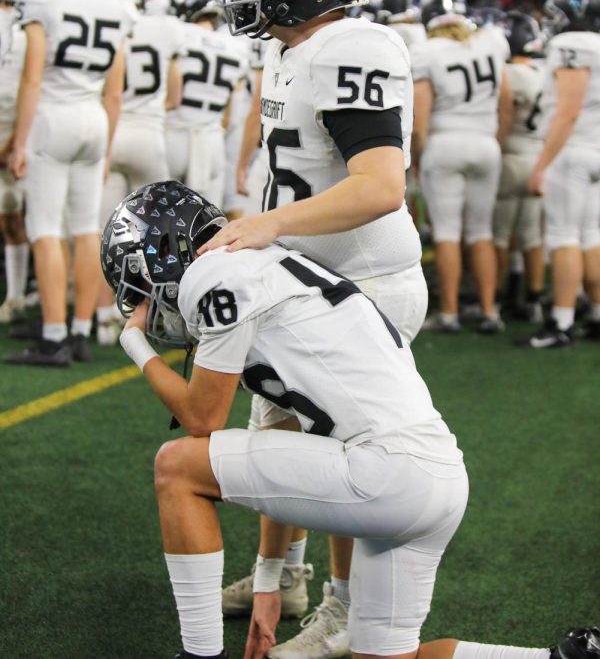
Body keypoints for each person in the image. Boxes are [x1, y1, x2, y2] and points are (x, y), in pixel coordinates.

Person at [104, 180, 598, 659]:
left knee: (177, 467)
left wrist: (134, 342)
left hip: (386, 473)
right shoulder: (269, 266)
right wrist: (269, 580)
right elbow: (280, 441)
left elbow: (201, 419)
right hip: (438, 479)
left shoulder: (212, 275)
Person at [209, 0, 427, 656]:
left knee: (339, 456)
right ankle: (281, 576)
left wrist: (266, 227)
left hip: (364, 285)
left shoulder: (354, 45)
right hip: (308, 277)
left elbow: (379, 185)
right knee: (275, 427)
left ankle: (344, 611)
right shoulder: (289, 46)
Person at [5, 0, 135, 367]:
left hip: (52, 118)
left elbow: (33, 76)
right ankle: (80, 331)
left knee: (44, 230)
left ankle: (54, 336)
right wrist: (106, 146)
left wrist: (19, 142)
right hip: (94, 120)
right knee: (85, 230)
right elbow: (115, 91)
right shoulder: (118, 8)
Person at [411, 0, 511, 334]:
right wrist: (493, 139)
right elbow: (506, 102)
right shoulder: (491, 43)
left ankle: (451, 313)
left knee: (448, 234)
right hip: (485, 142)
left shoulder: (426, 51)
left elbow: (419, 120)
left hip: (445, 143)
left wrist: (418, 157)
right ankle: (489, 310)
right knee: (481, 232)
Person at [95, 0, 184, 344]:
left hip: (111, 134)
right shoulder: (165, 28)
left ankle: (103, 319)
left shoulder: (105, 17)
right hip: (150, 136)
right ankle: (170, 318)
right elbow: (175, 93)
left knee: (107, 235)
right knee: (160, 237)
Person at [526, 0, 600, 347]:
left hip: (571, 150)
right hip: (595, 149)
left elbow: (568, 111)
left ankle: (562, 323)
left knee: (564, 237)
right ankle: (596, 315)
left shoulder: (571, 45)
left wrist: (542, 163)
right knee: (590, 236)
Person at [165, 0, 250, 209]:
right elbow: (231, 114)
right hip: (212, 141)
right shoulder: (236, 46)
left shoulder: (176, 33)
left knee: (153, 220)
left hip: (173, 134)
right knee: (203, 228)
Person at [492, 12, 546, 323]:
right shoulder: (545, 70)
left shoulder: (507, 73)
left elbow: (504, 115)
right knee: (531, 237)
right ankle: (535, 301)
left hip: (511, 155)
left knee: (499, 235)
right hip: (537, 154)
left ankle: (498, 300)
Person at [0, 0, 29, 323]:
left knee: (18, 220)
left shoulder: (24, 33)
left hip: (19, 134)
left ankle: (19, 295)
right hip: (19, 133)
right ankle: (17, 295)